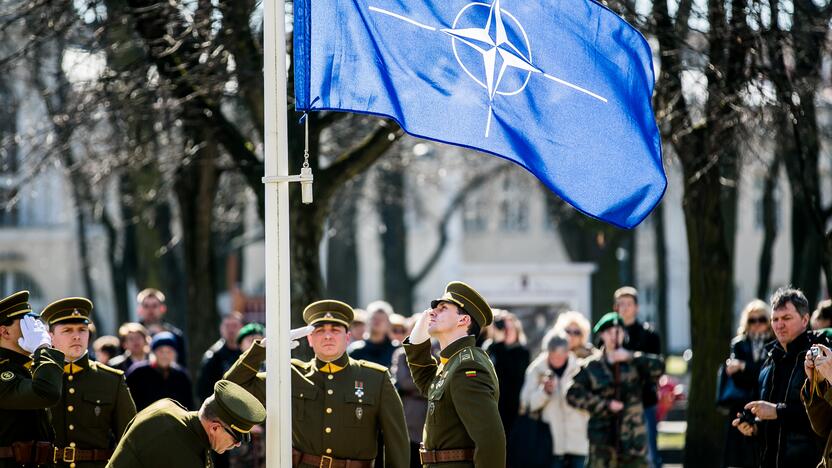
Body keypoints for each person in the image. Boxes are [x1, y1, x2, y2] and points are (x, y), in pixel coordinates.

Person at [225, 299, 410, 467]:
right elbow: (231, 387)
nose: (328, 336)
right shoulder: (290, 375)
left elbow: (396, 442)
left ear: (347, 338)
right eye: (320, 331)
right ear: (309, 339)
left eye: (335, 330)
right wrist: (261, 350)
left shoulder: (375, 378)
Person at [403, 281, 506, 467]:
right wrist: (416, 342)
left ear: (463, 320)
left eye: (443, 308)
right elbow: (427, 382)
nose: (432, 311)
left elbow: (490, 440)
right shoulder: (452, 363)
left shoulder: (467, 366)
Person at [42, 297, 137, 467]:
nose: (77, 336)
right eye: (67, 330)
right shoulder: (38, 377)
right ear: (51, 336)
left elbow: (130, 439)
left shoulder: (111, 380)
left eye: (82, 330)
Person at [733, 287, 822, 468]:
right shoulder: (769, 361)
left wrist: (776, 411)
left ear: (805, 320)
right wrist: (754, 427)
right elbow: (771, 421)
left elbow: (823, 417)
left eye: (786, 318)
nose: (779, 325)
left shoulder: (819, 358)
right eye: (775, 319)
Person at [566, 312, 664, 468]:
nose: (614, 336)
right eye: (609, 332)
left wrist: (631, 356)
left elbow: (659, 368)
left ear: (624, 335)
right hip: (602, 444)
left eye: (618, 332)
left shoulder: (635, 363)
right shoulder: (592, 366)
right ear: (602, 335)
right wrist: (605, 405)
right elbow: (572, 394)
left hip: (633, 443)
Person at [107, 379, 265, 468]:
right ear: (215, 428)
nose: (237, 444)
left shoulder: (169, 409)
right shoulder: (182, 451)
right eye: (237, 437)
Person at [0, 290, 64, 467]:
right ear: (4, 332)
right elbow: (46, 393)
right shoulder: (3, 371)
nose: (36, 327)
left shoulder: (26, 367)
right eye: (27, 322)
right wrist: (43, 347)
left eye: (35, 321)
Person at [521, 332, 589, 468]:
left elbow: (589, 402)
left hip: (579, 442)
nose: (557, 360)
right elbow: (527, 404)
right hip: (550, 444)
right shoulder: (536, 370)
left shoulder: (581, 368)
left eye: (561, 356)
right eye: (553, 356)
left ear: (567, 352)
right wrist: (544, 392)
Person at [614, 287, 663, 468]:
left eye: (629, 304)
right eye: (621, 304)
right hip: (616, 405)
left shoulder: (649, 335)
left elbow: (657, 368)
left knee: (649, 456)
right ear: (615, 308)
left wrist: (630, 356)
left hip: (644, 403)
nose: (625, 308)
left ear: (637, 307)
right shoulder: (608, 335)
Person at [720, 299, 771, 468]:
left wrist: (743, 366)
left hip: (766, 405)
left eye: (762, 319)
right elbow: (739, 378)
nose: (757, 324)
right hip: (740, 406)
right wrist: (751, 370)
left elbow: (767, 373)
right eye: (752, 320)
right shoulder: (739, 344)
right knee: (737, 458)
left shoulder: (774, 343)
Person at [484, 309, 530, 439]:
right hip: (493, 406)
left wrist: (501, 346)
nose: (507, 331)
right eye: (504, 327)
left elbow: (513, 375)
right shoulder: (492, 348)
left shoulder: (522, 352)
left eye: (511, 328)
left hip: (513, 408)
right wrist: (498, 342)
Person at [126, 331, 194, 411]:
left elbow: (189, 405)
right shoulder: (138, 373)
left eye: (169, 351)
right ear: (153, 353)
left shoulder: (181, 375)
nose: (165, 355)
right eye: (161, 351)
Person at [196, 312, 244, 403]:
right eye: (227, 326)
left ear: (242, 327)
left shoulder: (247, 353)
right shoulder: (212, 356)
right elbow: (203, 391)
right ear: (221, 328)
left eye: (234, 326)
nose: (231, 330)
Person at [135, 288, 187, 368]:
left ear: (163, 308)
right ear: (139, 310)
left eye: (154, 306)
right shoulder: (131, 336)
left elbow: (182, 365)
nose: (150, 310)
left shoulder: (176, 336)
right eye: (146, 306)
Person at [348, 300, 398, 367]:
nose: (377, 322)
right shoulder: (355, 351)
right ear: (367, 321)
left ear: (388, 323)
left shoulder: (396, 351)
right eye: (374, 318)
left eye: (381, 319)